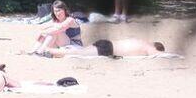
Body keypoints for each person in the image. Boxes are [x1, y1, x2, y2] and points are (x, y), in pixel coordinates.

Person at [42, 37, 170, 58]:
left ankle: (54, 53)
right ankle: (48, 50)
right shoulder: (149, 47)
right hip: (108, 49)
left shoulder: (141, 40)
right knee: (78, 53)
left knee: (81, 52)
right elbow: (157, 54)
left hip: (106, 43)